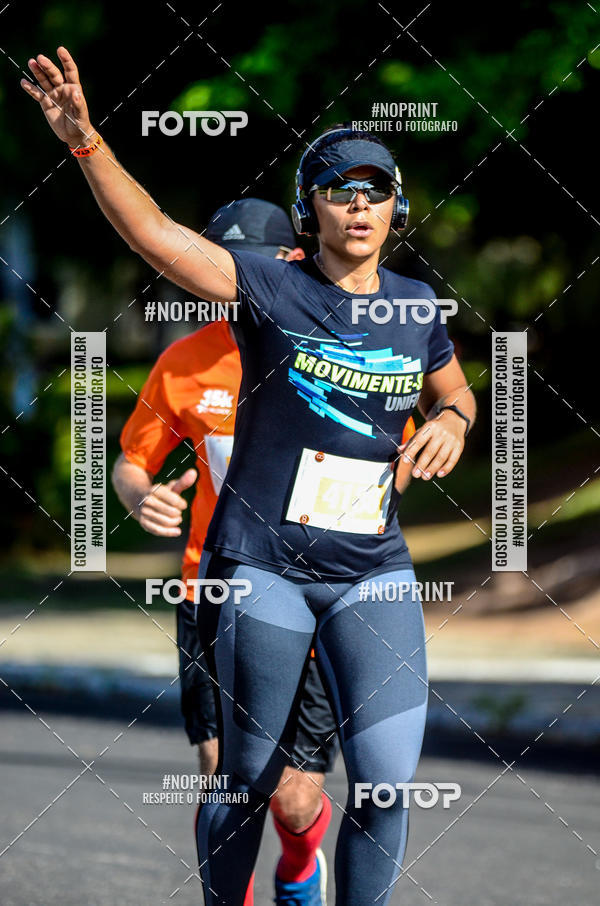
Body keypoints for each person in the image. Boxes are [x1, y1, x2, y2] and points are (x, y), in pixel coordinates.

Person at [22, 48, 476, 906]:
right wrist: (86, 142)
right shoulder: (269, 286)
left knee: (386, 786)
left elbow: (454, 393)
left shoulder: (416, 306)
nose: (359, 204)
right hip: (263, 570)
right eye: (339, 188)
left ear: (398, 206)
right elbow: (154, 234)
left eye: (376, 189)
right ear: (309, 207)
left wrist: (452, 421)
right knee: (247, 780)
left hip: (371, 571)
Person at [113, 198, 366, 906]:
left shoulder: (339, 351)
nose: (232, 281)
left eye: (252, 265)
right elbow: (132, 464)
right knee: (225, 775)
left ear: (292, 261)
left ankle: (299, 867)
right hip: (212, 591)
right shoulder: (185, 362)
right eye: (221, 265)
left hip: (311, 597)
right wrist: (140, 497)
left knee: (294, 799)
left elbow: (392, 456)